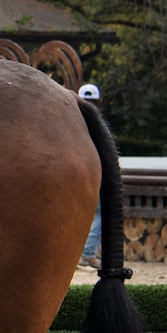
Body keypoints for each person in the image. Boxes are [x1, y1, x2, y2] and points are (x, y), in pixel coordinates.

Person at [77, 82, 102, 267]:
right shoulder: (99, 126)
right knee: (99, 213)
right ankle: (87, 253)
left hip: (74, 174)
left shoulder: (71, 124)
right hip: (93, 173)